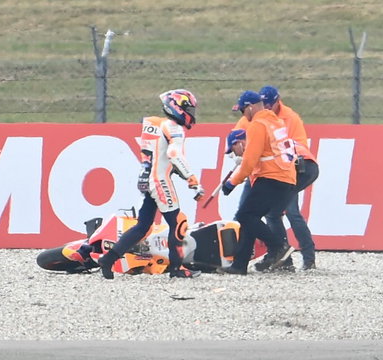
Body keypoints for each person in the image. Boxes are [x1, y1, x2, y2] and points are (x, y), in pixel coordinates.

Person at [88, 89, 200, 279]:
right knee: (177, 224)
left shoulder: (155, 124)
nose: (191, 114)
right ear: (177, 107)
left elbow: (158, 156)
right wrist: (191, 178)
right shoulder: (173, 127)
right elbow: (174, 155)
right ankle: (176, 269)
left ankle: (108, 259)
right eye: (188, 109)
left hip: (148, 180)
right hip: (160, 181)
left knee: (143, 227)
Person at [211, 90, 295, 274]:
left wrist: (232, 183)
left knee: (245, 216)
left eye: (242, 110)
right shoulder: (276, 121)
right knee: (250, 218)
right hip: (286, 177)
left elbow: (249, 161)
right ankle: (239, 265)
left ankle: (278, 247)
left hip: (272, 177)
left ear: (250, 107)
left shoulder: (258, 125)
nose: (243, 115)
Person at [256, 85, 318, 270]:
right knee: (277, 213)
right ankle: (287, 259)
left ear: (277, 101)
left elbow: (298, 146)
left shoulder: (290, 118)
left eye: (269, 105)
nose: (267, 108)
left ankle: (303, 259)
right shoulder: (261, 117)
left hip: (296, 168)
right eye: (264, 105)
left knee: (287, 212)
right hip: (282, 169)